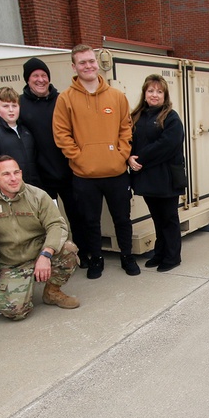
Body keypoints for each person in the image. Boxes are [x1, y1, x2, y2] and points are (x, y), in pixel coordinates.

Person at [52, 45, 137, 279]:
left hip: (117, 172)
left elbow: (126, 128)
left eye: (91, 61)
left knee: (122, 219)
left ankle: (127, 256)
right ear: (74, 66)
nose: (88, 66)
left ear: (97, 63)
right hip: (84, 175)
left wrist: (121, 154)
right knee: (90, 222)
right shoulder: (65, 99)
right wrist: (80, 158)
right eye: (82, 62)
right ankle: (96, 259)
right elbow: (61, 134)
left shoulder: (117, 96)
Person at [0, 156, 80, 320]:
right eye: (6, 174)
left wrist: (46, 254)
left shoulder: (38, 196)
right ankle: (20, 286)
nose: (13, 178)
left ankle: (52, 292)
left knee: (68, 249)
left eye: (16, 172)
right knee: (14, 311)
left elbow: (57, 225)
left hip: (38, 253)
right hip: (10, 262)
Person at [18, 58, 85, 256]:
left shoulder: (62, 100)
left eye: (44, 75)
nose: (40, 80)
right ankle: (52, 256)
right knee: (47, 220)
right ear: (27, 80)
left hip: (68, 169)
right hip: (40, 175)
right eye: (35, 76)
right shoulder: (20, 104)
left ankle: (83, 253)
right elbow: (6, 119)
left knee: (77, 215)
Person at [128, 74, 185, 272]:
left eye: (159, 91)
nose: (155, 95)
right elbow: (129, 141)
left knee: (169, 219)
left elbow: (167, 146)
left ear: (165, 95)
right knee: (157, 218)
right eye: (151, 91)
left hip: (167, 178)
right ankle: (159, 252)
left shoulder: (171, 118)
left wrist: (140, 158)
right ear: (144, 94)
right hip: (147, 179)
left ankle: (172, 256)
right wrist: (129, 157)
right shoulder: (137, 116)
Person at [0, 87, 39, 186]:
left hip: (32, 188)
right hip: (7, 190)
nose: (11, 110)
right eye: (5, 106)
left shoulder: (27, 130)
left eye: (14, 106)